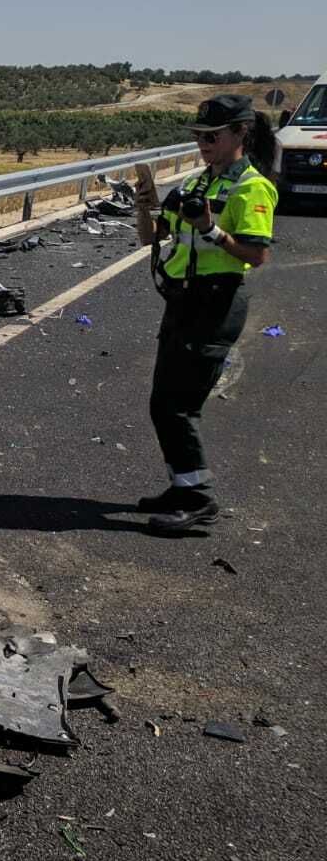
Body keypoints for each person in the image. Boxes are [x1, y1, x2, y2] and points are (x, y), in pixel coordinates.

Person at [133, 94, 277, 534]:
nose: (204, 144)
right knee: (163, 403)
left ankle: (198, 500)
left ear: (240, 134)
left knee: (178, 406)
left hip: (215, 303)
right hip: (182, 301)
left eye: (212, 136)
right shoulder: (197, 185)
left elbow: (256, 254)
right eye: (199, 137)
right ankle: (183, 486)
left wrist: (211, 229)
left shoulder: (253, 188)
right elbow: (150, 239)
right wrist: (144, 205)